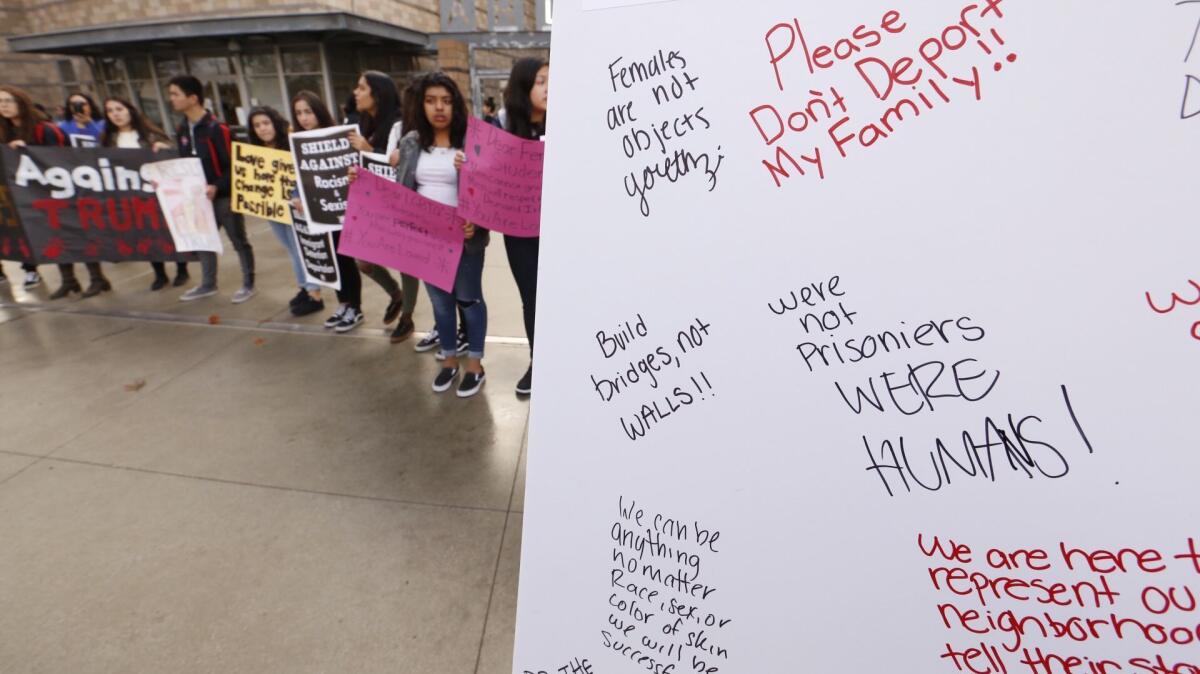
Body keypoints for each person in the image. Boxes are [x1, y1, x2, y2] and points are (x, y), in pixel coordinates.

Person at [378, 72, 489, 397]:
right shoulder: (411, 142)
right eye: (431, 101)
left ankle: (476, 365)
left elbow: (490, 194)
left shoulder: (472, 141)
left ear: (456, 104)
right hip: (426, 239)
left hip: (465, 239)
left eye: (446, 100)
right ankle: (450, 362)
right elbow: (402, 191)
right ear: (421, 105)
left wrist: (476, 222)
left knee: (469, 300)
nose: (439, 107)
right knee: (441, 304)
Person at [167, 75, 255, 303]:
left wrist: (218, 186)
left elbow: (235, 164)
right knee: (203, 240)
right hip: (197, 198)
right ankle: (208, 284)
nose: (172, 99)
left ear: (193, 98)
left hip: (223, 197)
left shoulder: (218, 129)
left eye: (176, 94)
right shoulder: (182, 130)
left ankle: (248, 283)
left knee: (238, 239)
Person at [346, 70, 419, 342]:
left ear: (378, 93)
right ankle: (395, 294)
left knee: (406, 261)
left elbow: (395, 164)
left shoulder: (399, 124)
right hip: (374, 203)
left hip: (398, 203)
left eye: (361, 87)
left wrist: (368, 150)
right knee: (363, 259)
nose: (356, 92)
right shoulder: (365, 123)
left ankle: (408, 316)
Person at [0, 85, 87, 295]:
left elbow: (59, 159)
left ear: (21, 102)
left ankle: (96, 278)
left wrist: (28, 150)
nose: (3, 106)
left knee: (71, 235)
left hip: (55, 192)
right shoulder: (4, 131)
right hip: (27, 196)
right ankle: (68, 280)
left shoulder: (45, 129)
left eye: (7, 101)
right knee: (52, 238)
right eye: (0, 102)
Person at [291, 91, 364, 332]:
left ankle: (355, 307)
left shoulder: (340, 135)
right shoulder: (299, 141)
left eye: (308, 111)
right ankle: (343, 303)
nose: (303, 117)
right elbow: (302, 179)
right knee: (332, 260)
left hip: (343, 209)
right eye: (299, 113)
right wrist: (299, 199)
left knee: (345, 260)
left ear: (318, 110)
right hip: (318, 212)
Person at [99, 97, 189, 292]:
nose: (116, 114)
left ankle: (181, 268)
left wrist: (165, 149)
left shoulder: (149, 135)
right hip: (131, 196)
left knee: (168, 233)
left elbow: (173, 153)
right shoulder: (107, 140)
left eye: (119, 108)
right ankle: (159, 273)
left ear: (130, 110)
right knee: (145, 235)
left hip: (157, 194)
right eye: (110, 110)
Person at [246, 106, 324, 316]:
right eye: (257, 125)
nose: (262, 129)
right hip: (274, 208)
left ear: (275, 123)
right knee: (290, 248)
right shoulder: (256, 152)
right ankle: (304, 287)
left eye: (265, 123)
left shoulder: (290, 145)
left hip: (295, 207)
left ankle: (315, 294)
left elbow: (303, 173)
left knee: (301, 249)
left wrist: (298, 196)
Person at [501, 57, 548, 396]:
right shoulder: (502, 131)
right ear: (523, 87)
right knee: (532, 298)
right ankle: (539, 361)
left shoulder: (569, 125)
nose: (549, 88)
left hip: (562, 233)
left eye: (552, 80)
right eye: (541, 81)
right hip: (520, 233)